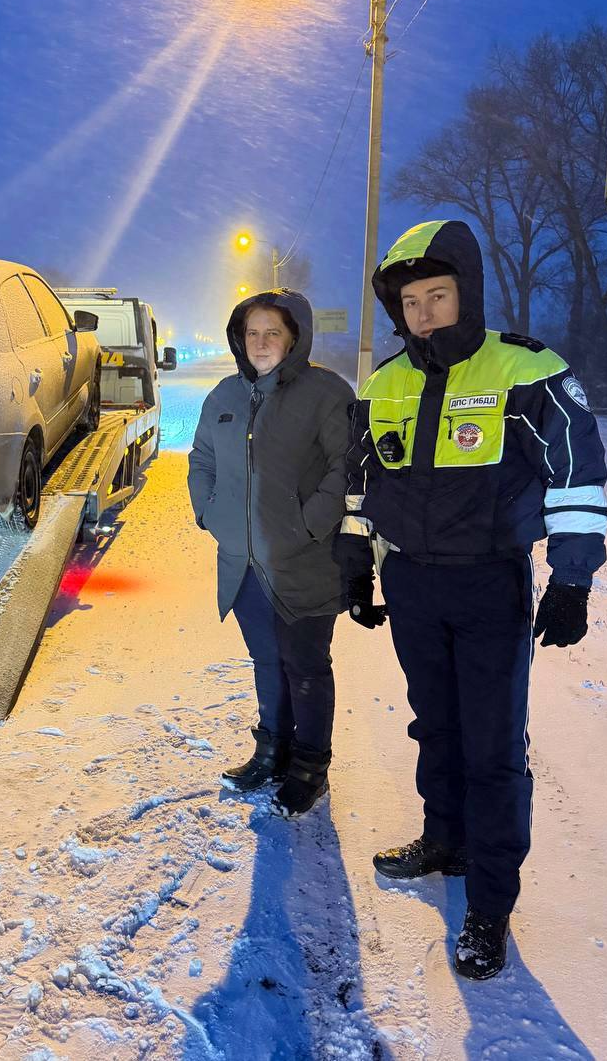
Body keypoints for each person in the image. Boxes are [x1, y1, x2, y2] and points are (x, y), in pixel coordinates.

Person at [337, 218, 607, 979]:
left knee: (491, 749)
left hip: (490, 582)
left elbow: (576, 475)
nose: (423, 312)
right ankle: (443, 839)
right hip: (413, 583)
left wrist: (572, 577)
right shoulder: (384, 382)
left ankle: (489, 901)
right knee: (436, 724)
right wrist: (354, 560)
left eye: (437, 294)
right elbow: (359, 482)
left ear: (467, 292)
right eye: (410, 301)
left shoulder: (525, 369)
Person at [188, 289, 354, 817]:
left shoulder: (326, 392)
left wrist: (309, 525)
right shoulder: (224, 396)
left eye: (272, 333)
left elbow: (346, 466)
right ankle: (272, 750)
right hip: (243, 565)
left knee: (305, 666)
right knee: (267, 661)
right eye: (251, 333)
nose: (260, 343)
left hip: (302, 563)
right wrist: (210, 513)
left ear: (295, 339)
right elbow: (201, 459)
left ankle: (310, 766)